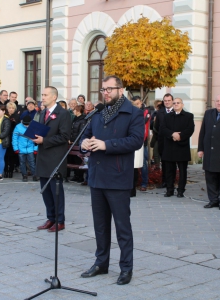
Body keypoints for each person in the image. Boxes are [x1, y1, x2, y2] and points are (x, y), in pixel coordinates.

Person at [80, 75, 144, 286]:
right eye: (103, 90)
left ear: (120, 90)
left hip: (118, 177)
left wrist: (107, 145)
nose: (105, 93)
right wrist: (85, 143)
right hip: (97, 176)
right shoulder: (98, 112)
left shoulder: (133, 113)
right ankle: (101, 263)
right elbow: (86, 133)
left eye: (109, 89)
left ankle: (126, 268)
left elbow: (136, 140)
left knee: (122, 227)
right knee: (100, 226)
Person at [34, 86, 71, 233]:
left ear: (54, 97)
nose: (42, 97)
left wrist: (45, 140)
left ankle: (60, 220)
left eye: (45, 95)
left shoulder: (63, 114)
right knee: (45, 190)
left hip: (55, 158)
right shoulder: (43, 112)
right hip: (43, 157)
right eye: (42, 94)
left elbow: (64, 136)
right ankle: (51, 218)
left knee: (55, 190)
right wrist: (34, 137)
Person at [158, 98, 194, 198]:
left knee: (182, 171)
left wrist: (180, 136)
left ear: (182, 104)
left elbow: (190, 129)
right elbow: (163, 128)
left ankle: (180, 190)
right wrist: (172, 134)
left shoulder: (189, 116)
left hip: (182, 147)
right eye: (174, 103)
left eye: (178, 103)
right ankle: (169, 190)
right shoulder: (167, 116)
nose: (176, 104)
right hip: (169, 146)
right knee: (169, 170)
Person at [131, 96, 150, 192]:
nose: (137, 105)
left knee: (143, 163)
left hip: (143, 141)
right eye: (135, 104)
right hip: (131, 141)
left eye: (138, 103)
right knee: (132, 164)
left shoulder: (145, 112)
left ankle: (144, 183)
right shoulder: (131, 112)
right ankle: (133, 184)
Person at [155, 93, 174, 188]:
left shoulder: (176, 110)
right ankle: (165, 181)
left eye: (169, 101)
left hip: (174, 141)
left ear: (172, 101)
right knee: (164, 162)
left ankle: (172, 182)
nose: (167, 102)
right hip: (162, 141)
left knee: (173, 163)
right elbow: (156, 127)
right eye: (165, 101)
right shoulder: (160, 112)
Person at [12, 115, 38, 182]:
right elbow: (14, 138)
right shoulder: (18, 127)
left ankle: (34, 175)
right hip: (21, 149)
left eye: (27, 124)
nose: (26, 126)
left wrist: (35, 149)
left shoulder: (33, 127)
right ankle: (24, 175)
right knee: (22, 163)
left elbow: (36, 139)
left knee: (32, 163)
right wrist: (16, 148)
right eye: (25, 124)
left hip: (30, 148)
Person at [69, 105, 87, 183]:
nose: (73, 111)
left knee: (78, 160)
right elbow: (72, 130)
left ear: (78, 111)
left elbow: (80, 132)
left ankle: (80, 176)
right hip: (72, 142)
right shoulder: (75, 119)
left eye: (74, 110)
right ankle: (76, 176)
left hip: (77, 143)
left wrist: (75, 142)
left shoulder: (82, 120)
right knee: (73, 160)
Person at [3, 102, 20, 178]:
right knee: (5, 156)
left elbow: (18, 127)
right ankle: (5, 170)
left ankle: (11, 171)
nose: (11, 109)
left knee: (12, 156)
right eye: (10, 108)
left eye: (13, 108)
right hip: (5, 138)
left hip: (13, 138)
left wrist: (14, 122)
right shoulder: (4, 116)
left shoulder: (17, 116)